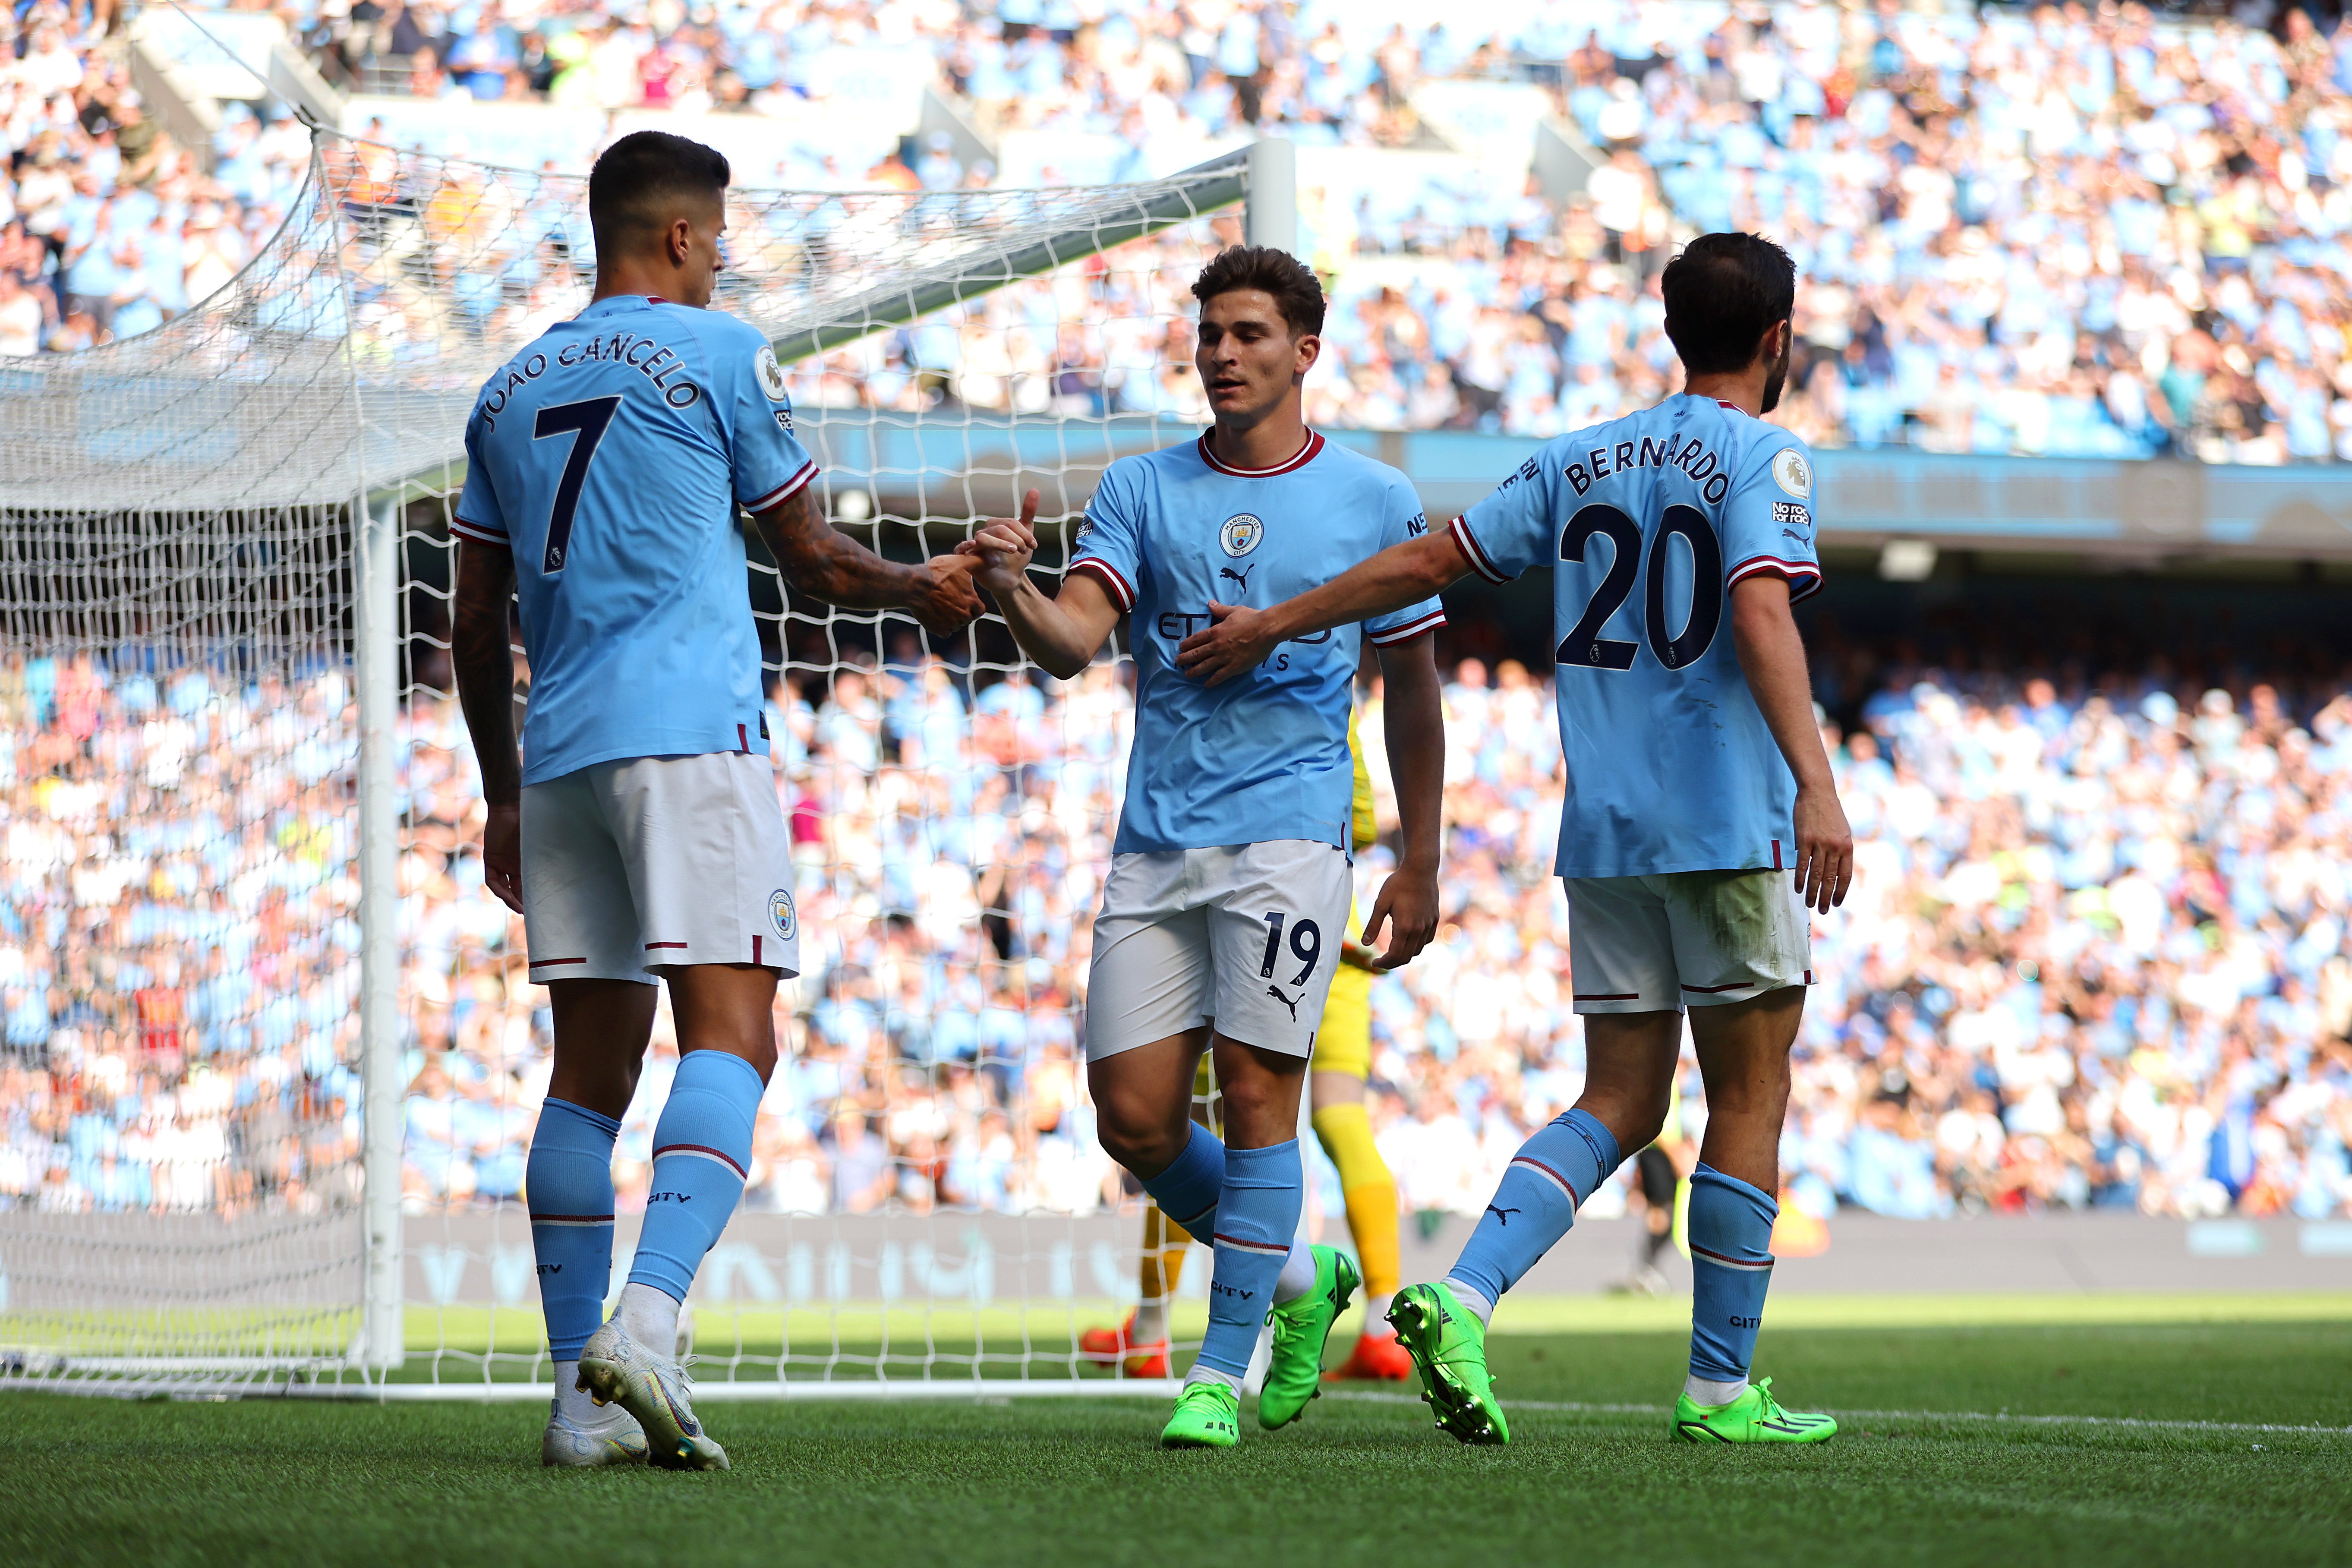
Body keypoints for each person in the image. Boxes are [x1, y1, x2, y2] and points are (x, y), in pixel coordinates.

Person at [1176, 231, 1854, 1446]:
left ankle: (1462, 1290)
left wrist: (1278, 617)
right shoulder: (1768, 454)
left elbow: (1432, 560)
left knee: (1620, 1097)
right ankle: (1717, 1390)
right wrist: (1818, 785)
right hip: (1725, 821)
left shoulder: (1581, 457)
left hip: (1603, 827)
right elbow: (1756, 602)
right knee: (1748, 1094)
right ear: (1776, 340)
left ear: (1668, 331)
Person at [448, 129, 981, 1471]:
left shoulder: (505, 388)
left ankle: (577, 1409)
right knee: (735, 1041)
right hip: (690, 737)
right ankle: (649, 1318)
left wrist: (500, 795)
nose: (727, 253)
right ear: (681, 236)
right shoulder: (721, 348)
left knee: (585, 1079)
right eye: (721, 232)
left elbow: (469, 619)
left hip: (558, 754)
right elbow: (805, 555)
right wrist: (926, 587)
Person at [958, 244, 1447, 1448]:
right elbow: (1075, 639)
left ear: (1303, 352)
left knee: (1265, 1097)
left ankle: (1216, 1377)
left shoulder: (1372, 498)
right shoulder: (1139, 488)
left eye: (1248, 334)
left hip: (1290, 836)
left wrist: (1422, 854)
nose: (1223, 353)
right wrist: (1015, 588)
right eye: (1210, 334)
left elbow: (1417, 686)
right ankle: (1299, 1279)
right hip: (1156, 841)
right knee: (1131, 1115)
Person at [1078, 697, 1413, 1386]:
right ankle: (1384, 1320)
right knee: (1339, 1117)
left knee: (1191, 1119)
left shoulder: (1239, 682)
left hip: (1243, 913)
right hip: (1331, 919)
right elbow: (1365, 822)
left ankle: (1151, 1326)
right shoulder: (1327, 693)